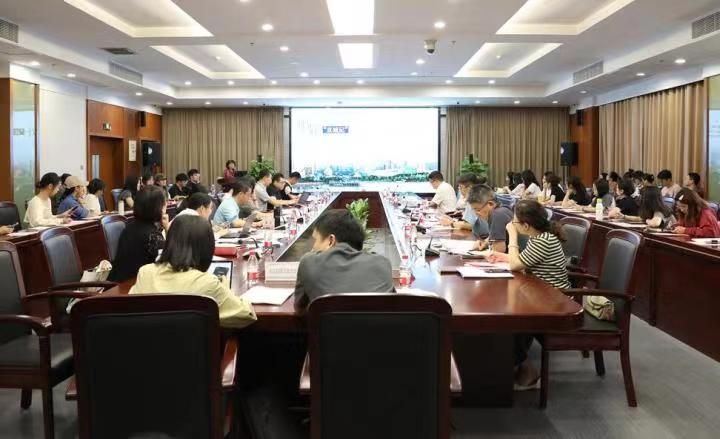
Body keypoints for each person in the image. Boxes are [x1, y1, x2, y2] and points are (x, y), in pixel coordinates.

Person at [487, 200, 570, 390]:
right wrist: (501, 256)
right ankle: (515, 364)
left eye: (515, 222)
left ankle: (524, 370)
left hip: (554, 298)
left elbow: (516, 265)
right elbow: (522, 260)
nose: (512, 224)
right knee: (510, 308)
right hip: (540, 291)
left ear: (526, 225)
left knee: (513, 315)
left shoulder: (544, 240)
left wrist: (512, 236)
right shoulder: (539, 236)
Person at [130, 215, 257, 328]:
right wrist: (225, 288)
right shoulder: (207, 283)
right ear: (207, 247)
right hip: (193, 347)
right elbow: (246, 314)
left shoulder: (145, 273)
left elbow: (130, 311)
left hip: (145, 346)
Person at [293, 210, 394, 310]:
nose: (313, 247)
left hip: (330, 321)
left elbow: (300, 309)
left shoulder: (309, 262)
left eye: (316, 240)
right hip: (377, 322)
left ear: (331, 240)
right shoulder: (383, 264)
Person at [108, 186, 169, 281]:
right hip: (135, 285)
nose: (166, 205)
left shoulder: (129, 227)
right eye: (164, 204)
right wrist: (167, 228)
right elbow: (168, 263)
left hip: (120, 282)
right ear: (158, 208)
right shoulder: (153, 236)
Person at [467, 184, 514, 252]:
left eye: (478, 210)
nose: (476, 213)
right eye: (473, 210)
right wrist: (485, 243)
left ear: (490, 204)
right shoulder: (503, 210)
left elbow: (498, 250)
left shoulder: (497, 215)